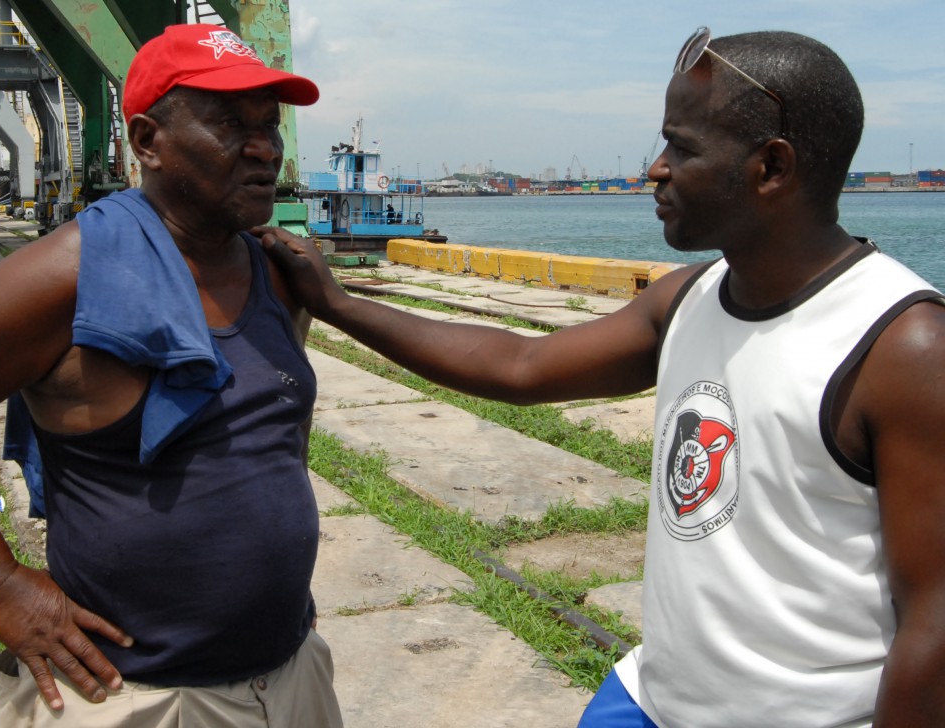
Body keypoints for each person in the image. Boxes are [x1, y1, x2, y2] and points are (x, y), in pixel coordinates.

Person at [261, 28, 945, 727]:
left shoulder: (901, 345)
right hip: (651, 700)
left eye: (682, 146)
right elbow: (520, 365)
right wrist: (338, 304)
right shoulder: (690, 298)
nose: (655, 168)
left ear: (771, 167)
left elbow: (935, 623)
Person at [0, 23, 343, 727]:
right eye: (231, 125)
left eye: (270, 125)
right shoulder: (68, 276)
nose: (265, 146)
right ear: (147, 142)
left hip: (289, 676)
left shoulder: (278, 272)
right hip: (138, 699)